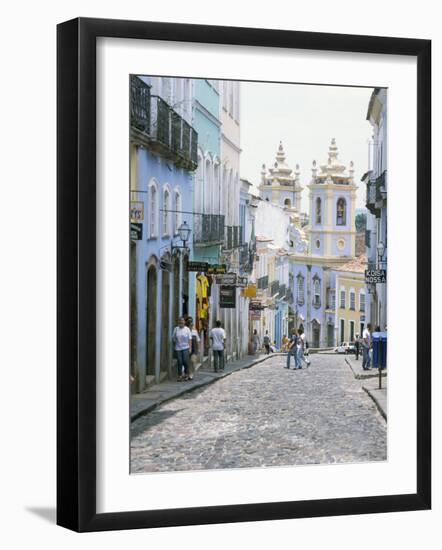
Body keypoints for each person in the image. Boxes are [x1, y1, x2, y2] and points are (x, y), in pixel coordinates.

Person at [172, 317, 192, 381]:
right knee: (180, 362)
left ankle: (186, 374)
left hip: (186, 347)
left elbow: (189, 339)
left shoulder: (187, 329)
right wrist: (174, 346)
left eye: (182, 321)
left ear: (184, 322)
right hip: (178, 348)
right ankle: (180, 375)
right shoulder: (176, 329)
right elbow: (174, 338)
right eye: (180, 321)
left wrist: (190, 348)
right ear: (178, 322)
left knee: (185, 361)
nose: (181, 322)